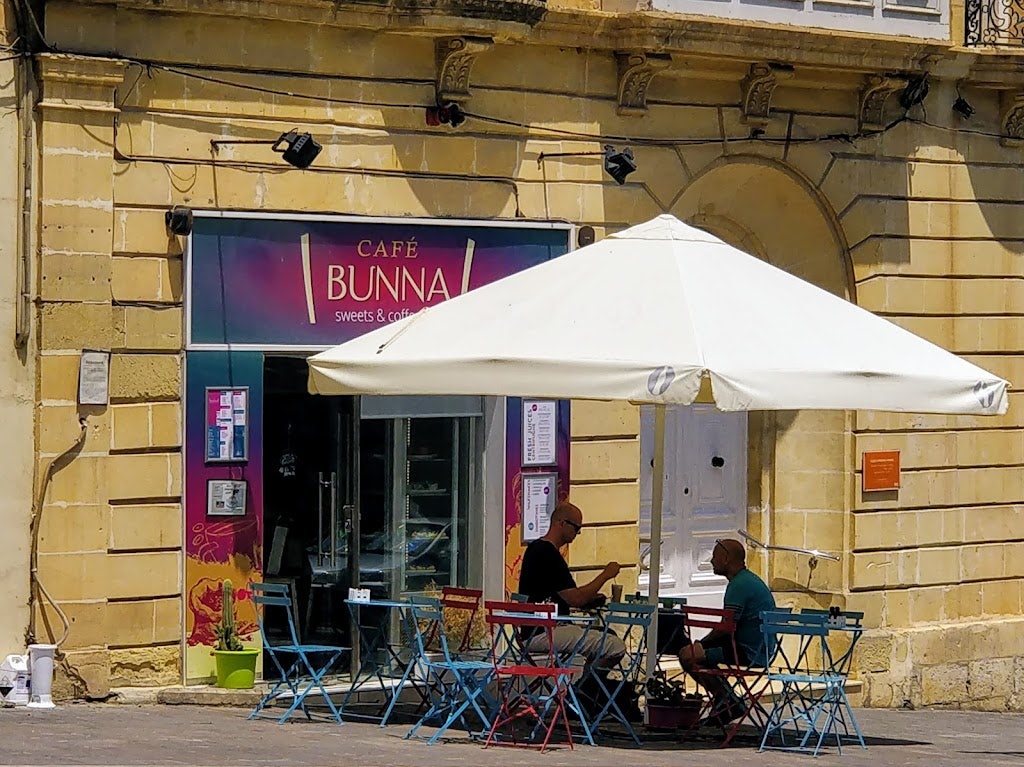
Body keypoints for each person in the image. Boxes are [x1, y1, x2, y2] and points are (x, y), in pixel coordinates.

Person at [517, 500, 626, 669]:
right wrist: (606, 575)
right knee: (615, 646)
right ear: (561, 523)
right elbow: (576, 598)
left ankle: (585, 688)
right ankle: (585, 689)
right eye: (576, 528)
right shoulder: (549, 555)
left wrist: (590, 597)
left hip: (533, 629)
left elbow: (563, 595)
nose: (577, 533)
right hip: (545, 632)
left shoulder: (535, 548)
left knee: (606, 635)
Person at [678, 538, 776, 725]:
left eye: (715, 556)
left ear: (726, 558)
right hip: (756, 647)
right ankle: (726, 701)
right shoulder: (748, 580)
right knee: (697, 654)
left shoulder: (739, 585)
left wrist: (702, 643)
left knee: (688, 655)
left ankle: (726, 702)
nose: (712, 561)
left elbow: (726, 627)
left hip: (748, 652)